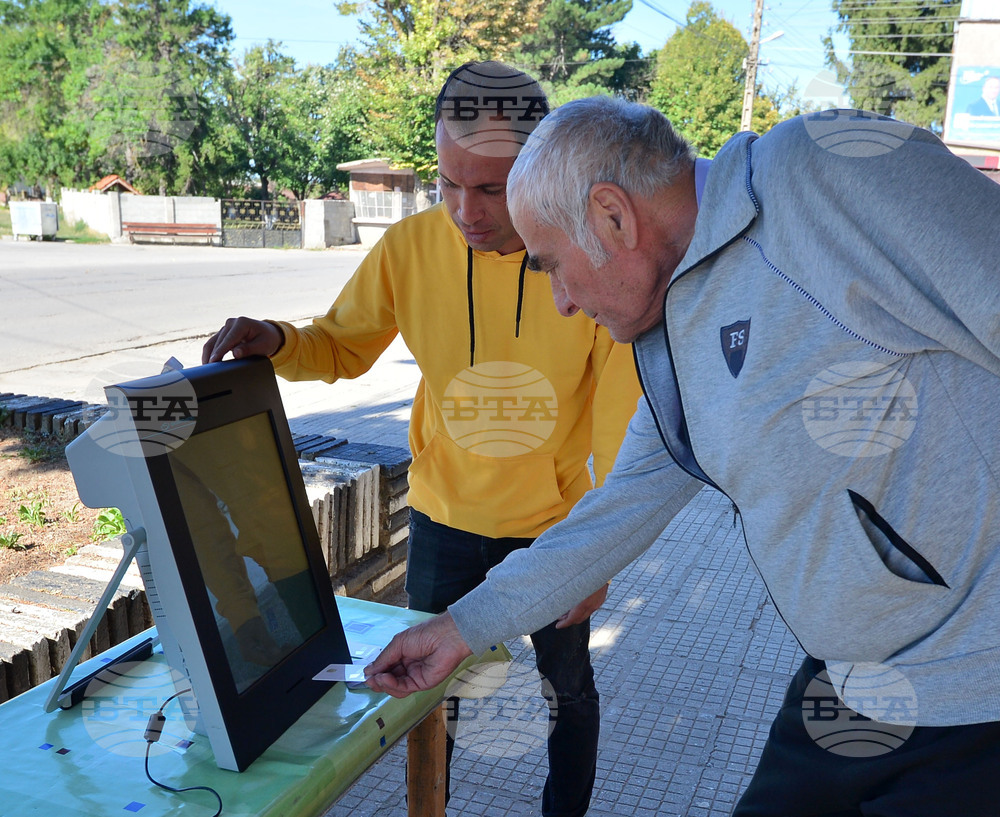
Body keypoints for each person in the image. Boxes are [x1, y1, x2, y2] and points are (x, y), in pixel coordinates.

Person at [365, 97, 1000, 816]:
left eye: (554, 266)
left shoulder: (822, 171)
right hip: (852, 680)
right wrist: (460, 628)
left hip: (977, 695)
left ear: (613, 216)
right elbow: (618, 510)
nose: (562, 301)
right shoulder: (672, 332)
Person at [203, 64, 642, 817]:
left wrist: (598, 553)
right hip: (442, 519)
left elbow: (623, 430)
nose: (466, 211)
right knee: (429, 695)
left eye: (492, 189)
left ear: (539, 173)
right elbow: (342, 346)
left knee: (565, 692)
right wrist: (276, 340)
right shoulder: (409, 247)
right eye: (448, 183)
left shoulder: (589, 260)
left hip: (554, 531)